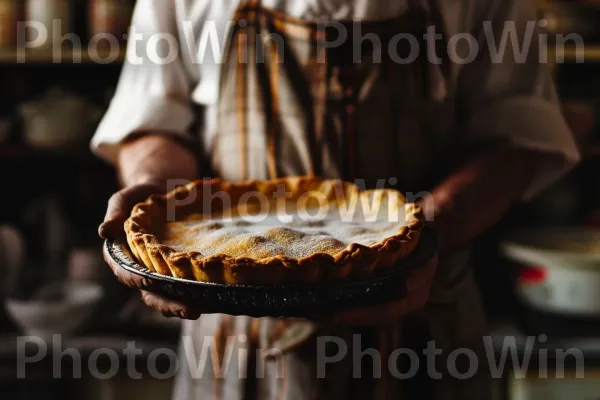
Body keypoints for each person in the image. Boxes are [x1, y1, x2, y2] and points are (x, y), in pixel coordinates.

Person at [94, 0, 579, 398]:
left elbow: (515, 139)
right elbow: (154, 120)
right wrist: (157, 190)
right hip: (235, 345)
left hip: (427, 334)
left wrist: (426, 233)